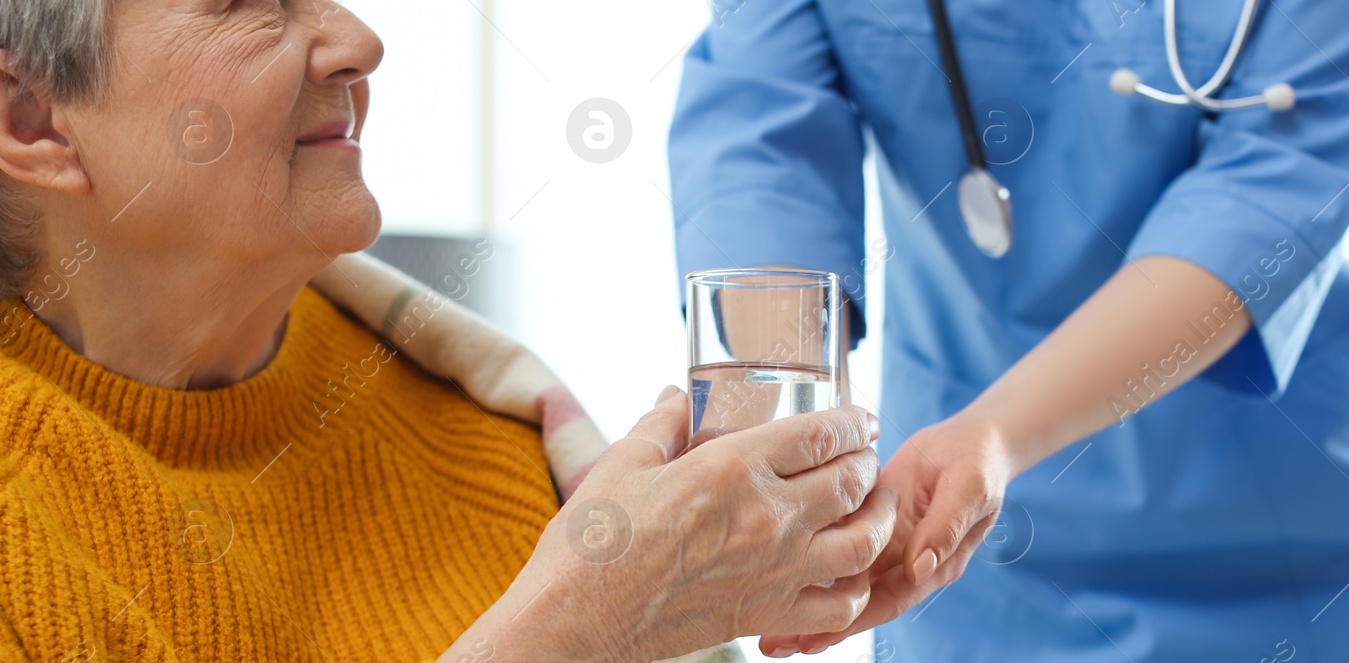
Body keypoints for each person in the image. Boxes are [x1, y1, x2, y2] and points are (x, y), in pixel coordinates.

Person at [0, 1, 894, 661]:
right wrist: (584, 624)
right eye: (248, 4)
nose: (361, 42)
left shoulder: (485, 444)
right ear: (30, 121)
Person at [669, 0, 1349, 659]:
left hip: (1279, 556)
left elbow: (1275, 185)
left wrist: (999, 433)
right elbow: (762, 133)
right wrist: (755, 461)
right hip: (956, 562)